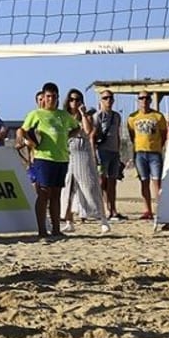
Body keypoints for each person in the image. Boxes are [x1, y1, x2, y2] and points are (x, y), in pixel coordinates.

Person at [19, 82, 80, 239]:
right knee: (43, 193)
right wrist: (30, 141)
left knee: (56, 194)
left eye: (54, 96)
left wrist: (67, 136)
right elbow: (22, 130)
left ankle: (56, 229)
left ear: (58, 97)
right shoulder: (36, 114)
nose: (51, 99)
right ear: (44, 97)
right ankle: (42, 230)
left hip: (61, 158)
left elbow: (77, 127)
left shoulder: (63, 115)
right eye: (48, 96)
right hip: (43, 158)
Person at [59, 89, 110, 234]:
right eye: (72, 99)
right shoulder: (64, 117)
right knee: (67, 189)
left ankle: (102, 219)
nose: (74, 102)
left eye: (77, 99)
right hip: (68, 153)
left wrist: (82, 114)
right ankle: (69, 221)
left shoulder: (87, 116)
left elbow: (88, 131)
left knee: (90, 186)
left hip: (83, 153)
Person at [127, 91, 167, 220]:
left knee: (157, 182)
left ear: (150, 100)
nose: (144, 100)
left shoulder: (158, 116)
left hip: (155, 153)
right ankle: (147, 210)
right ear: (138, 100)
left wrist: (158, 146)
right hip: (140, 153)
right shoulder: (132, 117)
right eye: (141, 98)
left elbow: (164, 134)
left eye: (146, 98)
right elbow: (132, 135)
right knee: (144, 182)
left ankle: (161, 209)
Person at [93, 91, 125, 220]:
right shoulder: (98, 116)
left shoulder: (117, 116)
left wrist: (118, 151)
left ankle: (113, 209)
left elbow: (117, 134)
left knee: (113, 181)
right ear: (101, 100)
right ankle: (103, 208)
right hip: (102, 151)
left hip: (114, 152)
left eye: (110, 98)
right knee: (102, 181)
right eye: (105, 98)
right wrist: (94, 154)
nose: (108, 100)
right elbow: (93, 135)